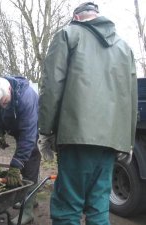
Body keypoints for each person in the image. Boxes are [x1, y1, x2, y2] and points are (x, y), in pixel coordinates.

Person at [38, 2, 137, 225]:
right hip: (111, 142)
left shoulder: (67, 34)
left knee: (67, 208)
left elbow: (52, 86)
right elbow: (131, 99)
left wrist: (45, 130)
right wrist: (127, 141)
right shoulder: (125, 47)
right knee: (99, 207)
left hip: (77, 137)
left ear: (77, 17)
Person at [0, 75, 41, 225]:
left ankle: (28, 211)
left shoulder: (26, 98)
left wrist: (15, 166)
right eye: (0, 104)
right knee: (22, 163)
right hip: (17, 128)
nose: (3, 106)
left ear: (9, 89)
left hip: (33, 129)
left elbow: (28, 137)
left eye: (4, 102)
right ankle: (27, 198)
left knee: (29, 162)